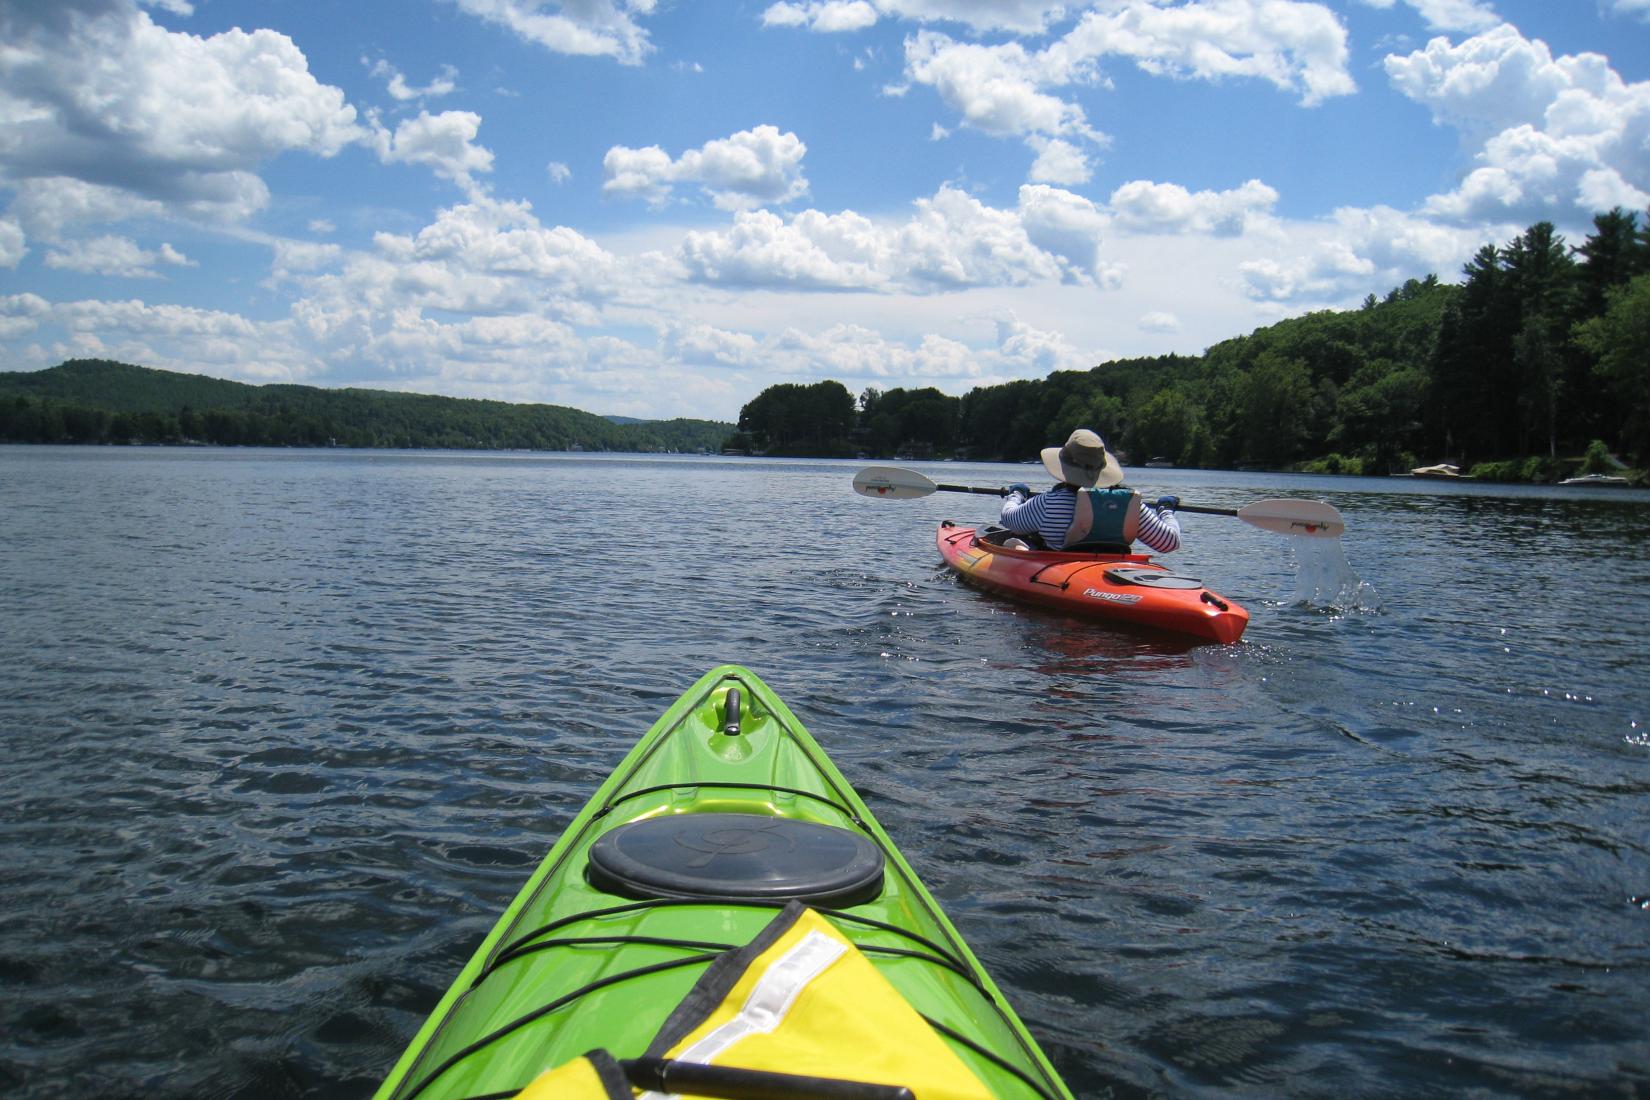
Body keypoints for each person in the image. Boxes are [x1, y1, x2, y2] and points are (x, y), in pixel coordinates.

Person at [999, 428, 1182, 553]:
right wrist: (1165, 511)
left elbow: (1010, 520)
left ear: (1064, 467)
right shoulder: (1130, 506)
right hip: (1110, 569)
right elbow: (1169, 543)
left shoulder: (1048, 503)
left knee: (1011, 542)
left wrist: (1016, 495)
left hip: (1061, 574)